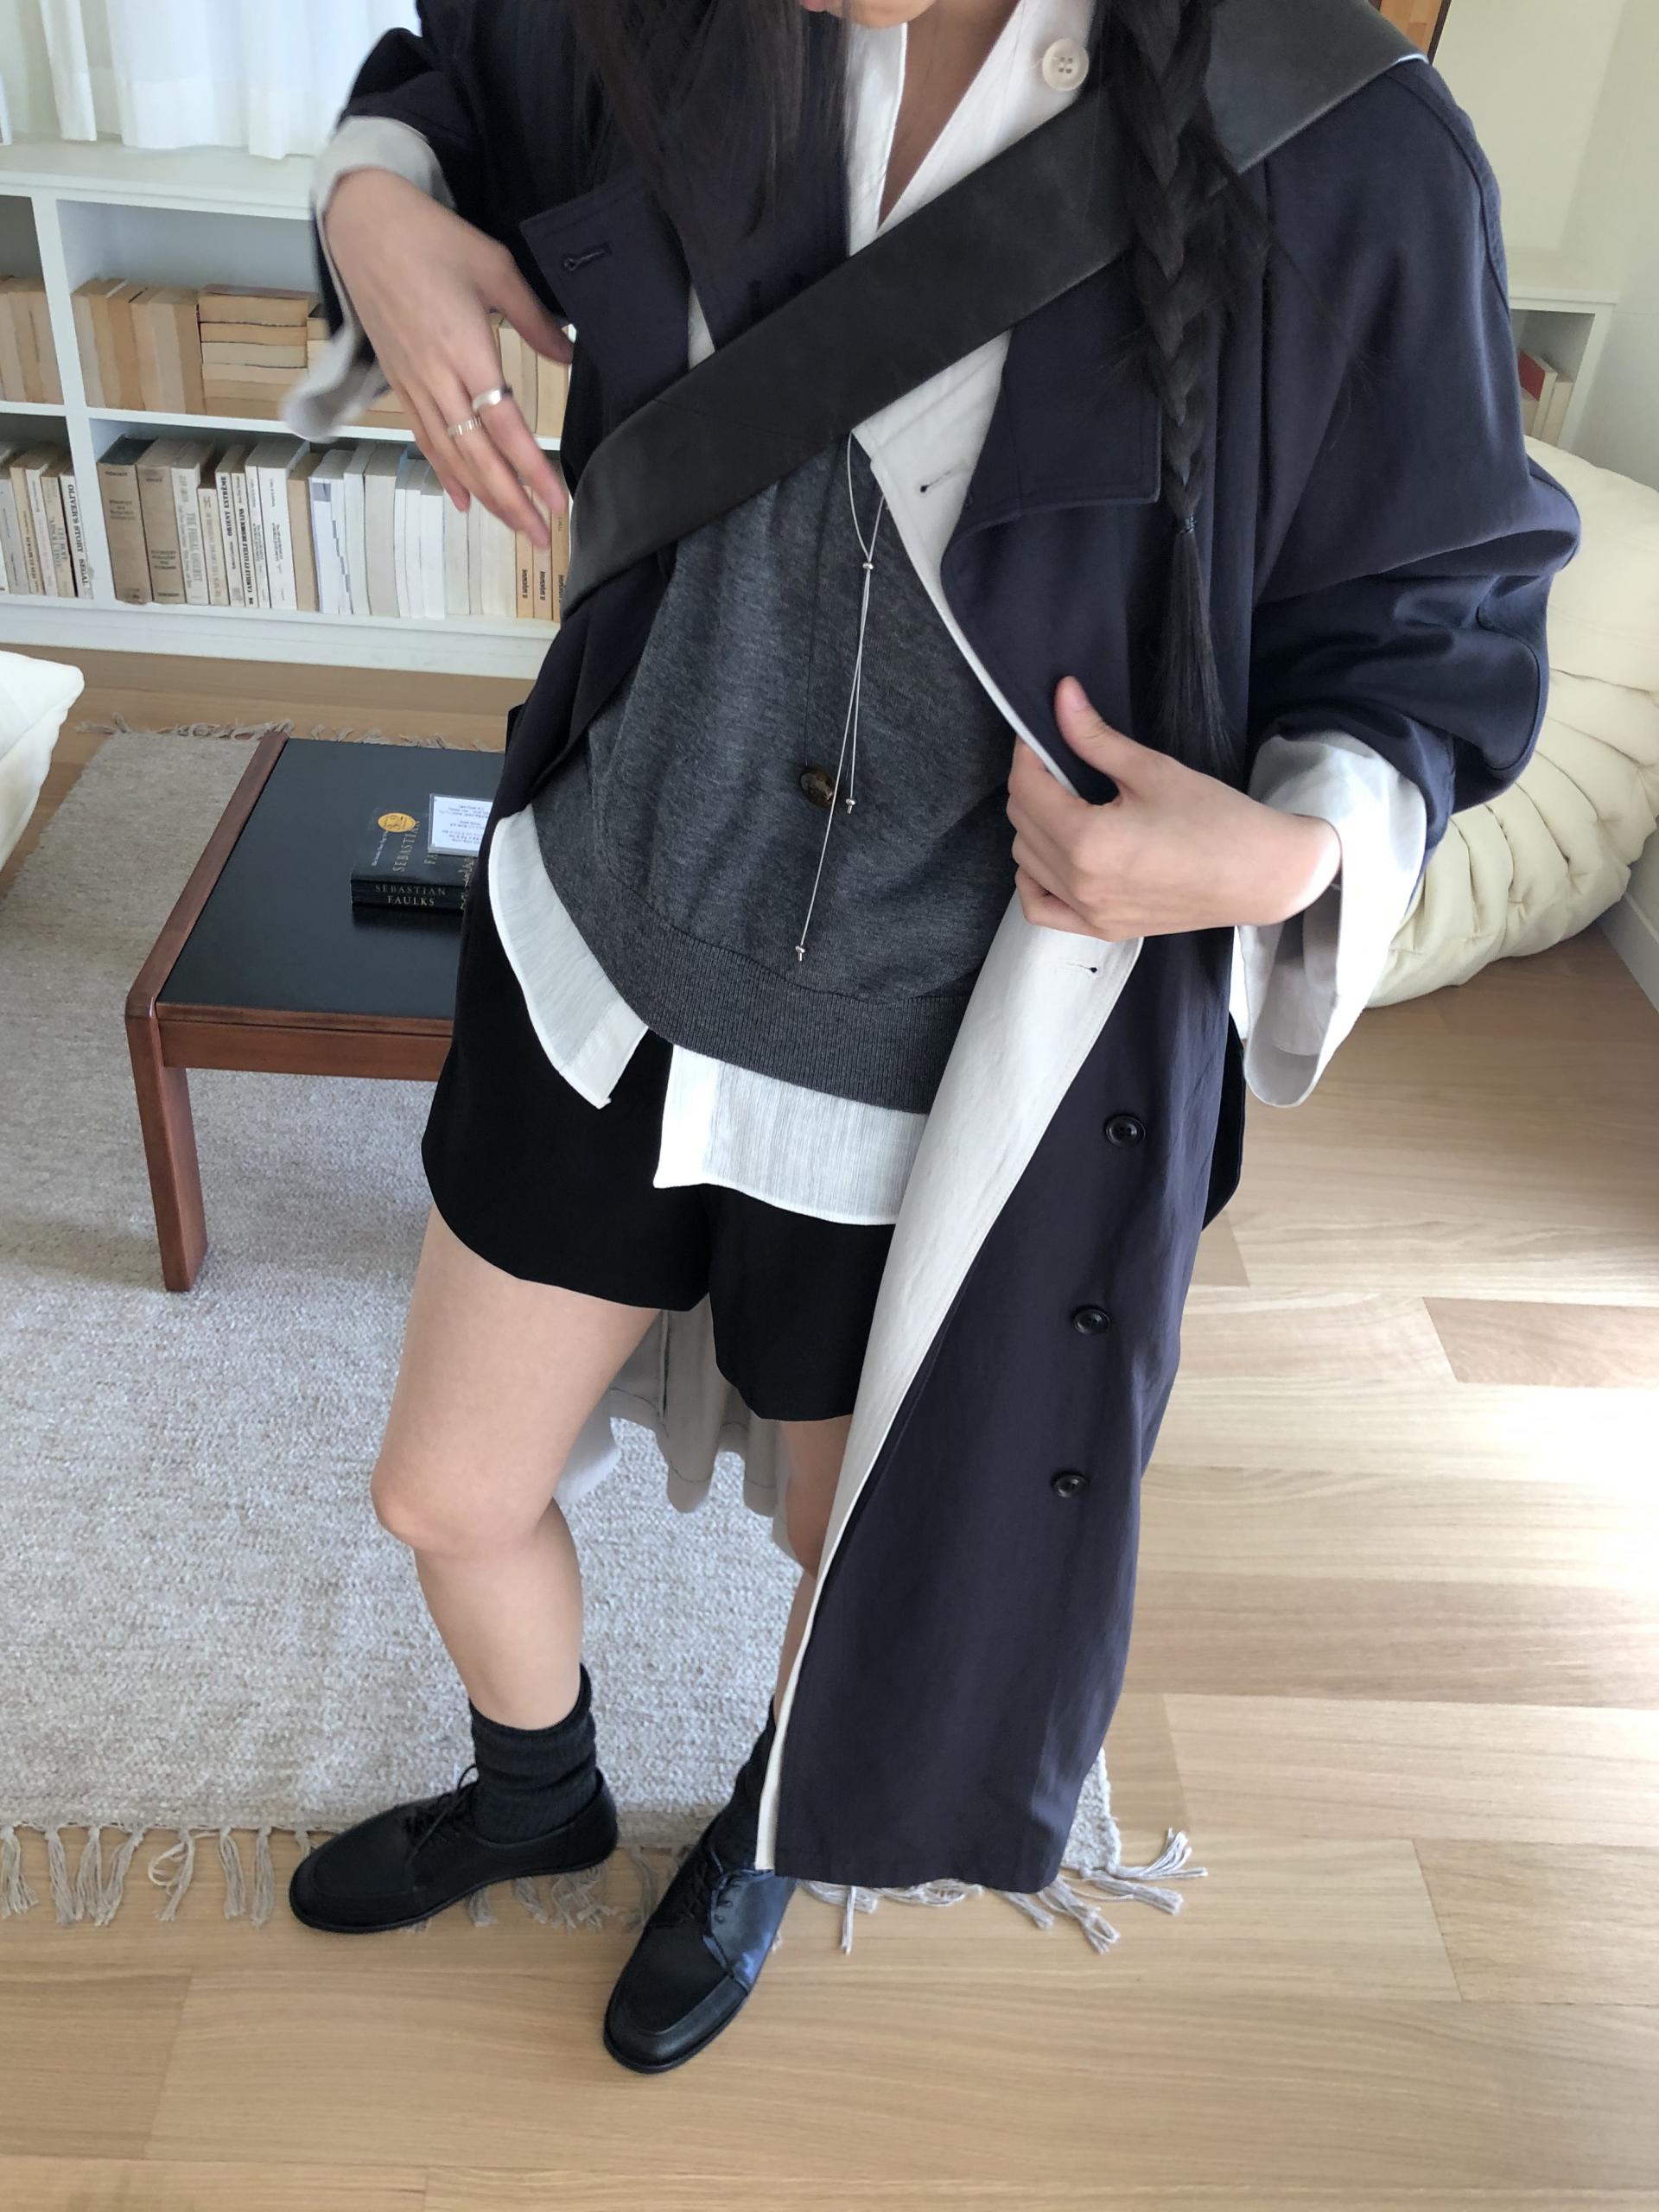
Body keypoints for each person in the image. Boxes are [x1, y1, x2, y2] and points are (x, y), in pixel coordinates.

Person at [279, 0, 1580, 2075]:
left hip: (953, 1052)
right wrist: (372, 208)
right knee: (446, 1490)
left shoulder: (1347, 143)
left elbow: (1442, 613)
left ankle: (764, 1833)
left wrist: (1284, 851)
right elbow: (446, 77)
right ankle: (537, 1793)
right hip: (608, 928)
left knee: (855, 1548)